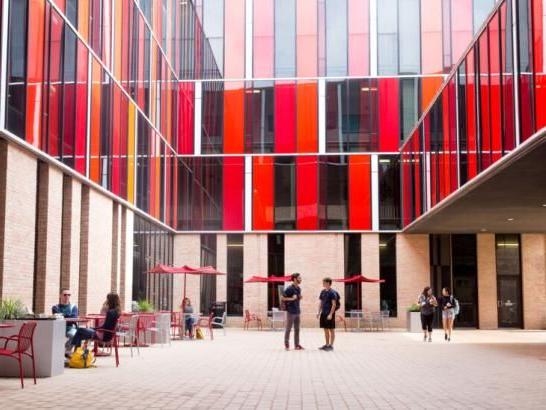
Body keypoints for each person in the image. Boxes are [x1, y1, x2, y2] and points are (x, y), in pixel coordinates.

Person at [52, 289, 79, 354]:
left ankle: (66, 351)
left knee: (74, 335)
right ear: (60, 296)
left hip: (70, 328)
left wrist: (62, 315)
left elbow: (74, 318)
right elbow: (57, 317)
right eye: (65, 295)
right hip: (58, 328)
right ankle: (58, 352)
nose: (67, 296)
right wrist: (68, 316)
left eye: (69, 295)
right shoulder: (55, 307)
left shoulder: (73, 307)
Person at [282, 273, 304, 351]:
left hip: (297, 311)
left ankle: (297, 345)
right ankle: (287, 345)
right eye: (299, 278)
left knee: (297, 329)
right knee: (288, 328)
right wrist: (291, 299)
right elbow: (282, 298)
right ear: (295, 279)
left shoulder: (298, 288)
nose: (301, 279)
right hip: (291, 311)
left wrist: (299, 297)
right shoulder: (289, 288)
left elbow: (297, 298)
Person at [317, 277, 338, 351]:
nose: (323, 284)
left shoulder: (332, 292)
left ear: (328, 283)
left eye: (324, 282)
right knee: (325, 329)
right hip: (323, 313)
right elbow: (321, 302)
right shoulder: (322, 292)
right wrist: (318, 312)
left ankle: (331, 345)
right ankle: (326, 344)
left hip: (329, 313)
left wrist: (331, 314)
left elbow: (334, 304)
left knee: (331, 329)